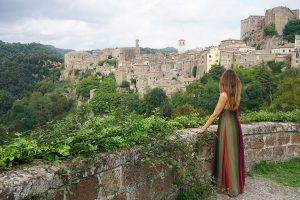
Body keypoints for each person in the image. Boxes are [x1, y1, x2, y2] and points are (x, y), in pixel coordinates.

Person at [190, 69, 245, 197]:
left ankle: (229, 187)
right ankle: (235, 185)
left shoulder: (224, 95)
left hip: (226, 126)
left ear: (224, 81)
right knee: (233, 155)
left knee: (227, 155)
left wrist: (202, 129)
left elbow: (215, 114)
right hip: (235, 126)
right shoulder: (236, 93)